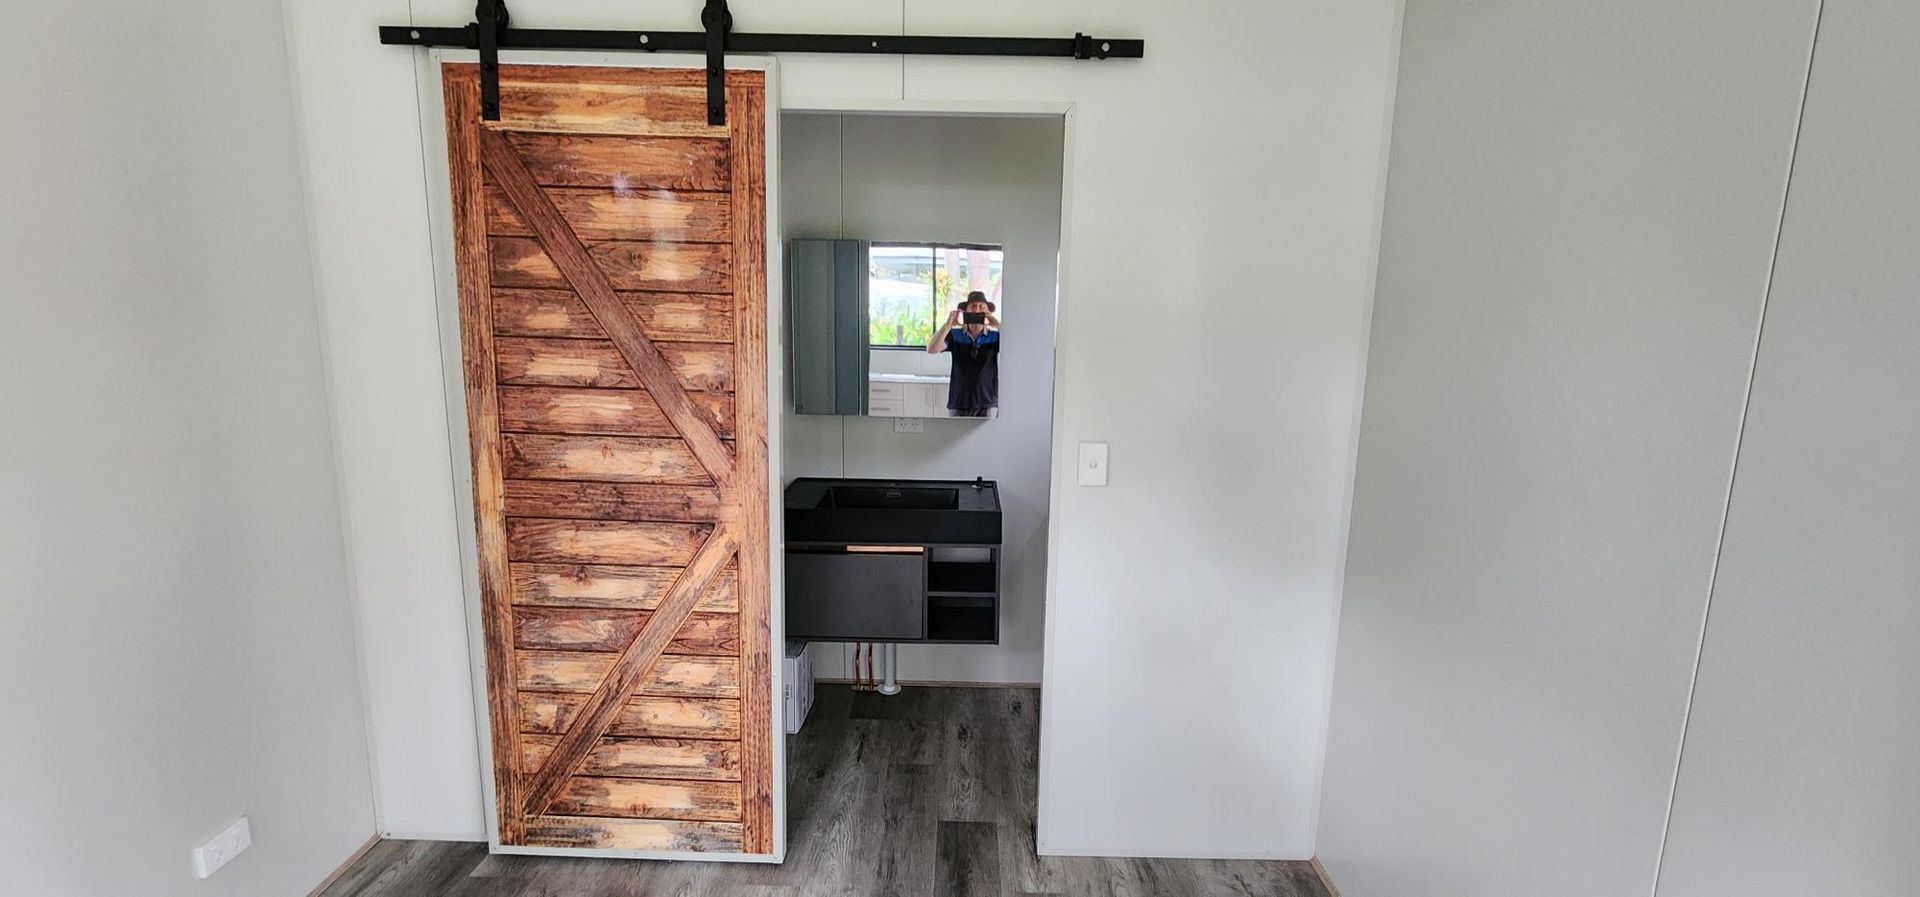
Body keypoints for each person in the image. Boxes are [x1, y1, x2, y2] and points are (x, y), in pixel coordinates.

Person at [927, 291, 1000, 418]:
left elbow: (1016, 349)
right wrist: (948, 325)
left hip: (987, 402)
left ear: (988, 312)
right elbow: (932, 349)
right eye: (972, 306)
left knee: (989, 438)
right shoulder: (955, 335)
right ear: (965, 311)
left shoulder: (995, 337)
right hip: (959, 401)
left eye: (981, 307)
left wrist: (997, 325)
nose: (976, 310)